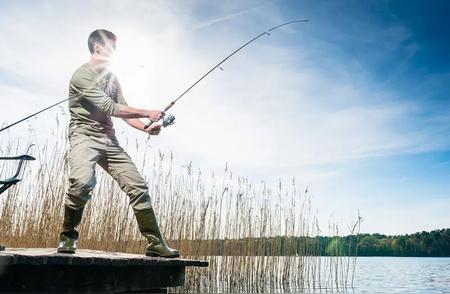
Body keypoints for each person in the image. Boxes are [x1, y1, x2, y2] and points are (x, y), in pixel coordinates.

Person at [57, 29, 179, 258]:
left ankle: (155, 244)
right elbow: (110, 108)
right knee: (82, 183)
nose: (115, 50)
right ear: (98, 47)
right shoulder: (80, 76)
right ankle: (67, 237)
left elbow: (123, 109)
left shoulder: (112, 78)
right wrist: (148, 111)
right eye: (111, 45)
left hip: (109, 139)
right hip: (83, 136)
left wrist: (146, 127)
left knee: (138, 187)